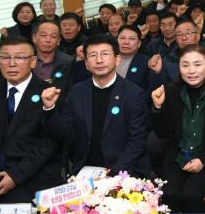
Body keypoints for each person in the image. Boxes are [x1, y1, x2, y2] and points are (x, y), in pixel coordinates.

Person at [41, 34, 150, 176]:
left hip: (124, 169)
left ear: (117, 59)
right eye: (93, 55)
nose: (99, 60)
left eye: (105, 54)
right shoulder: (77, 91)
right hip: (86, 168)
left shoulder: (134, 94)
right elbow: (66, 135)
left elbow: (137, 141)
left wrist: (113, 175)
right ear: (86, 63)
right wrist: (50, 109)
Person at [150, 44, 205, 213]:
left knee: (191, 195)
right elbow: (162, 133)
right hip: (177, 157)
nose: (191, 71)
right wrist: (158, 108)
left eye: (198, 64)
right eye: (185, 65)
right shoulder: (170, 92)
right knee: (170, 194)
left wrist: (203, 161)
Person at [0, 36, 63, 202]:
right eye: (5, 57)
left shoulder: (50, 93)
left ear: (33, 61)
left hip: (33, 176)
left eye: (19, 57)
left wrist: (16, 175)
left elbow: (50, 142)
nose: (12, 63)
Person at [32, 20, 74, 95]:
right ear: (34, 38)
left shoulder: (69, 62)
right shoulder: (25, 61)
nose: (48, 40)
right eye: (43, 35)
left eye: (53, 36)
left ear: (58, 41)